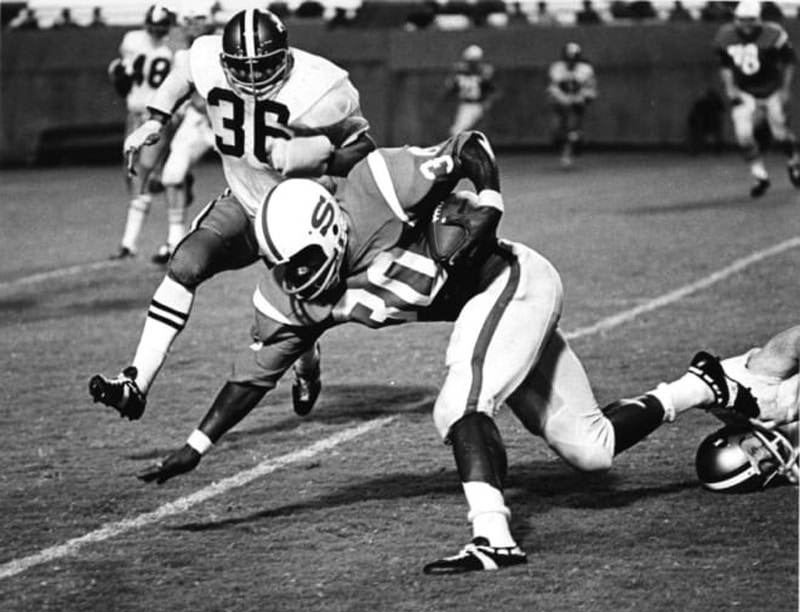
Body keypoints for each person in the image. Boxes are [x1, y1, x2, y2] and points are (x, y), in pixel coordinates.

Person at [133, 130, 728, 575]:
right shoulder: (289, 295)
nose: (295, 282)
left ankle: (494, 536)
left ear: (332, 231)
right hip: (492, 311)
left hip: (511, 279)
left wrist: (488, 203)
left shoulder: (378, 186)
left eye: (304, 265)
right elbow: (252, 378)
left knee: (461, 401)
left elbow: (470, 146)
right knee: (591, 449)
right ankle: (702, 385)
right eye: (282, 270)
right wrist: (196, 446)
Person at [90, 8, 375, 421]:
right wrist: (155, 119)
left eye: (264, 68)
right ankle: (136, 382)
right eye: (243, 68)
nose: (254, 80)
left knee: (289, 320)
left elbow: (363, 149)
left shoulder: (322, 86)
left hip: (296, 215)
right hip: (244, 200)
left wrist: (322, 158)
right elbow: (182, 74)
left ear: (285, 56)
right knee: (185, 262)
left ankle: (308, 371)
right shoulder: (205, 58)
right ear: (225, 62)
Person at [627, 326, 799, 491]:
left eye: (754, 450)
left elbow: (794, 342)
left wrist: (794, 409)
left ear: (738, 434)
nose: (768, 453)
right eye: (764, 466)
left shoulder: (757, 389)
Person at [107, 4, 179, 259]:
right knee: (133, 174)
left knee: (142, 174)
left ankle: (130, 244)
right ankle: (132, 240)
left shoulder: (170, 49)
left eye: (161, 27)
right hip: (134, 113)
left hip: (155, 117)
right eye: (155, 26)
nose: (157, 31)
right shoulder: (134, 41)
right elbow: (122, 80)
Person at [150, 7, 217, 265]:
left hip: (233, 122)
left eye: (199, 19)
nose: (193, 25)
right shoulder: (180, 52)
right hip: (198, 121)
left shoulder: (227, 42)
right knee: (172, 175)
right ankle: (174, 241)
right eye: (188, 20)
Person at [713, 0, 800, 197]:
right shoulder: (726, 35)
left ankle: (793, 161)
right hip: (745, 92)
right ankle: (759, 175)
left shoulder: (773, 34)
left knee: (780, 135)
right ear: (736, 19)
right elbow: (725, 65)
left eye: (751, 20)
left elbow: (789, 62)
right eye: (742, 20)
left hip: (771, 89)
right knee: (743, 135)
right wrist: (730, 87)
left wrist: (785, 88)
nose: (746, 25)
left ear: (759, 19)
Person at [547, 42, 598, 168]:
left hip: (577, 103)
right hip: (561, 103)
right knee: (556, 129)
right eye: (568, 58)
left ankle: (567, 153)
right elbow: (552, 88)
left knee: (571, 128)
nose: (571, 62)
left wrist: (580, 99)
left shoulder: (586, 70)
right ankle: (575, 140)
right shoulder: (556, 68)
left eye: (573, 59)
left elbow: (591, 89)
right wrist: (563, 99)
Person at [444, 45, 499, 138]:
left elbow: (493, 90)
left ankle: (456, 151)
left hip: (472, 105)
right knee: (461, 131)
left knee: (457, 131)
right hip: (469, 105)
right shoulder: (479, 73)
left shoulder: (463, 73)